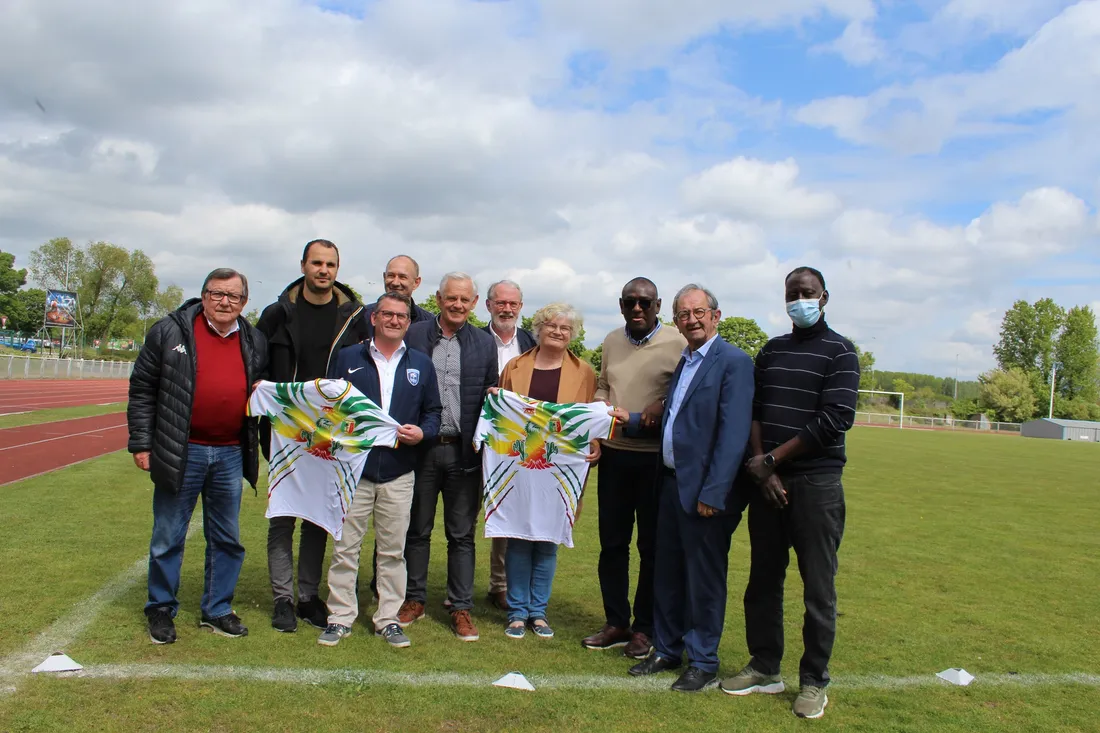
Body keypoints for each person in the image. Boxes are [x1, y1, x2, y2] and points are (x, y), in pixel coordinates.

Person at [720, 266, 858, 720]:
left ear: (824, 297)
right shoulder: (773, 349)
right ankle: (764, 666)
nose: (800, 299)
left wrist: (772, 462)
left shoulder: (841, 351)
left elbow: (834, 419)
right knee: (762, 580)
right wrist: (761, 467)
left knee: (818, 588)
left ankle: (814, 680)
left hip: (816, 484)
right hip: (767, 483)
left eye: (808, 293)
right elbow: (755, 410)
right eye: (792, 293)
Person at [612, 284, 754, 692]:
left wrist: (715, 492)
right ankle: (668, 649)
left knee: (704, 580)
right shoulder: (686, 361)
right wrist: (633, 420)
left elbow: (733, 435)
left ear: (715, 315)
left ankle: (704, 660)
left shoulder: (734, 362)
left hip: (705, 492)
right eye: (684, 314)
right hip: (670, 484)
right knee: (667, 574)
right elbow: (675, 420)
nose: (691, 319)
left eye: (698, 312)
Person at [128, 268, 267, 644]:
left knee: (227, 537)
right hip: (180, 450)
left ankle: (217, 608)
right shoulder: (169, 331)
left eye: (233, 296)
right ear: (204, 295)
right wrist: (141, 443)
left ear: (244, 302)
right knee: (168, 536)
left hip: (230, 452)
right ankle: (160, 607)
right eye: (217, 293)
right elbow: (142, 388)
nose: (225, 302)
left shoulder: (255, 340)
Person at [255, 239, 371, 632]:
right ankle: (282, 599)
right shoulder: (276, 313)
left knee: (319, 517)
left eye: (331, 264)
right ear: (303, 264)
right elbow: (255, 366)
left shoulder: (354, 316)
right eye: (317, 263)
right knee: (283, 515)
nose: (323, 270)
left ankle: (307, 596)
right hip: (285, 431)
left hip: (330, 433)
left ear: (338, 269)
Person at [317, 292, 442, 648]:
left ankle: (388, 618)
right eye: (387, 314)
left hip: (399, 471)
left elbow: (433, 413)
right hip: (355, 471)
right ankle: (340, 617)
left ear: (408, 321)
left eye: (401, 316)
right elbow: (329, 409)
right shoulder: (346, 358)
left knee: (392, 551)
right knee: (345, 549)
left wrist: (423, 433)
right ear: (374, 318)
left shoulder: (420, 362)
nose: (394, 321)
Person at [582, 277, 685, 659]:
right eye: (630, 302)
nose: (637, 309)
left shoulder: (677, 341)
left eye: (644, 302)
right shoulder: (611, 340)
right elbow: (604, 385)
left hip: (655, 459)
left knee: (652, 547)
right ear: (620, 304)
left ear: (658, 304)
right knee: (612, 544)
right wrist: (598, 415)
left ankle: (645, 627)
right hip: (614, 454)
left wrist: (649, 413)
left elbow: (679, 395)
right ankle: (616, 621)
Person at [399, 272, 498, 642]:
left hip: (464, 452)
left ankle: (460, 607)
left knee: (462, 535)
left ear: (473, 303)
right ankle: (414, 599)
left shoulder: (485, 344)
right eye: (450, 298)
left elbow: (491, 396)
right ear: (438, 299)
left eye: (464, 300)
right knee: (418, 530)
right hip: (422, 450)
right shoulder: (413, 335)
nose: (457, 305)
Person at [493, 303, 599, 638]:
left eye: (565, 328)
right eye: (551, 325)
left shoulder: (585, 372)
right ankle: (516, 610)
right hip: (520, 464)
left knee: (549, 540)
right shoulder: (515, 366)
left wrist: (595, 442)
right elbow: (502, 418)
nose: (557, 331)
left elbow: (589, 418)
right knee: (520, 538)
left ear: (573, 334)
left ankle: (538, 612)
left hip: (560, 468)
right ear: (538, 328)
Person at [480, 279, 536, 611]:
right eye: (500, 303)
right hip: (478, 438)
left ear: (520, 307)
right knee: (466, 515)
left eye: (513, 304)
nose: (507, 309)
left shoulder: (531, 342)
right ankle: (459, 587)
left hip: (515, 445)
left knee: (506, 516)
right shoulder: (473, 339)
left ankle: (499, 585)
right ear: (488, 306)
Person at [362, 255, 435, 338]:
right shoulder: (362, 317)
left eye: (402, 277)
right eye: (391, 276)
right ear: (384, 277)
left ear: (416, 282)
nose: (395, 282)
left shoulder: (429, 323)